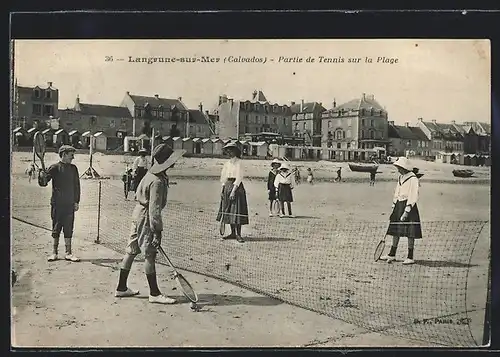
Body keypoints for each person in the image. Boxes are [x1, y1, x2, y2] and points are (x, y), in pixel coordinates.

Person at [114, 144, 186, 303]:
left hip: (137, 214)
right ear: (166, 162)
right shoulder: (157, 181)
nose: (174, 162)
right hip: (146, 217)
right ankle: (154, 294)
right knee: (150, 254)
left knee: (131, 251)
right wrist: (157, 231)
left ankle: (121, 288)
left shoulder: (149, 174)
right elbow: (154, 210)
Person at [38, 145, 81, 262]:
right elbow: (43, 183)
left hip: (70, 204)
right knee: (56, 227)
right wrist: (41, 174)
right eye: (71, 154)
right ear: (64, 154)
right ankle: (54, 253)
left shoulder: (74, 168)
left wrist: (76, 201)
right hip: (57, 204)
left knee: (69, 228)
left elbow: (77, 186)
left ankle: (68, 253)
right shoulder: (54, 167)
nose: (73, 157)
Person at [380, 157, 422, 265]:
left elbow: (413, 195)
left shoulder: (413, 179)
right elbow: (397, 193)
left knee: (410, 232)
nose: (398, 169)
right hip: (398, 205)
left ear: (404, 167)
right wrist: (394, 207)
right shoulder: (400, 177)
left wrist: (406, 211)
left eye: (399, 167)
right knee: (395, 230)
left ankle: (410, 257)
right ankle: (392, 254)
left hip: (409, 206)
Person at [216, 142, 249, 243]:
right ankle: (232, 233)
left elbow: (239, 177)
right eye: (228, 150)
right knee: (229, 210)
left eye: (231, 150)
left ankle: (238, 234)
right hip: (227, 187)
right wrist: (223, 191)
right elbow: (223, 177)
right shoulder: (227, 163)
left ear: (236, 151)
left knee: (237, 211)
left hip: (237, 188)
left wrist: (233, 191)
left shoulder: (240, 163)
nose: (229, 152)